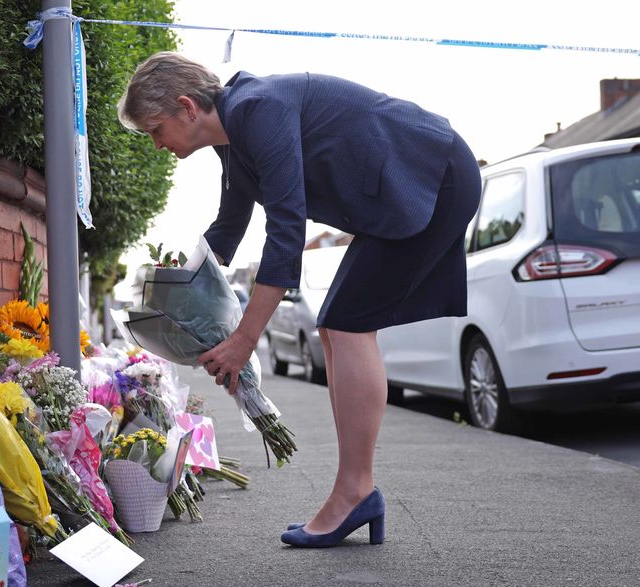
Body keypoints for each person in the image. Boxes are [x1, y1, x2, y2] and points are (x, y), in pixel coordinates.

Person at [118, 52, 482, 548]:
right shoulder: (234, 135)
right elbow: (229, 223)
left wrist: (245, 340)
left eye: (155, 130)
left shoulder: (258, 110)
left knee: (348, 323)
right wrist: (180, 286)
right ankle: (356, 491)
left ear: (186, 107)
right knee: (337, 324)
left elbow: (287, 231)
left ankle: (355, 492)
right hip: (409, 185)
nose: (157, 144)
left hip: (431, 177)